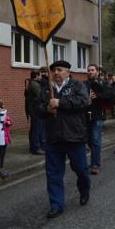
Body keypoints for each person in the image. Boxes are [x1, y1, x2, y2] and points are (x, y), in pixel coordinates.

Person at [35, 60, 90, 219]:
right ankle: (56, 205)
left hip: (74, 136)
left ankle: (84, 189)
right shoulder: (47, 88)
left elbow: (83, 102)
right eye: (54, 70)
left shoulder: (77, 86)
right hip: (53, 138)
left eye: (59, 70)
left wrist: (60, 102)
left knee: (81, 169)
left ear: (67, 71)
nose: (56, 73)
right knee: (53, 174)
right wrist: (46, 108)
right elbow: (36, 108)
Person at [83, 64, 112, 174]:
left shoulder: (103, 83)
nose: (90, 72)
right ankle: (96, 157)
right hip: (86, 114)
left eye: (92, 70)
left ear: (97, 72)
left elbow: (109, 95)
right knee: (88, 140)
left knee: (95, 139)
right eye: (89, 70)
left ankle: (95, 164)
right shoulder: (84, 84)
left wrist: (98, 96)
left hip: (98, 114)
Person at [25, 69, 46, 155]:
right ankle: (36, 148)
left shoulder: (31, 83)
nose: (41, 77)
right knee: (36, 129)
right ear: (36, 75)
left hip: (33, 109)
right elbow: (41, 96)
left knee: (35, 129)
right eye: (40, 75)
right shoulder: (35, 85)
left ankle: (35, 147)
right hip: (35, 110)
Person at [0, 97, 12, 178]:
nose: (3, 104)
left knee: (3, 154)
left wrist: (9, 122)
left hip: (6, 137)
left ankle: (1, 168)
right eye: (1, 103)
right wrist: (5, 122)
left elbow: (9, 119)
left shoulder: (3, 112)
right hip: (0, 137)